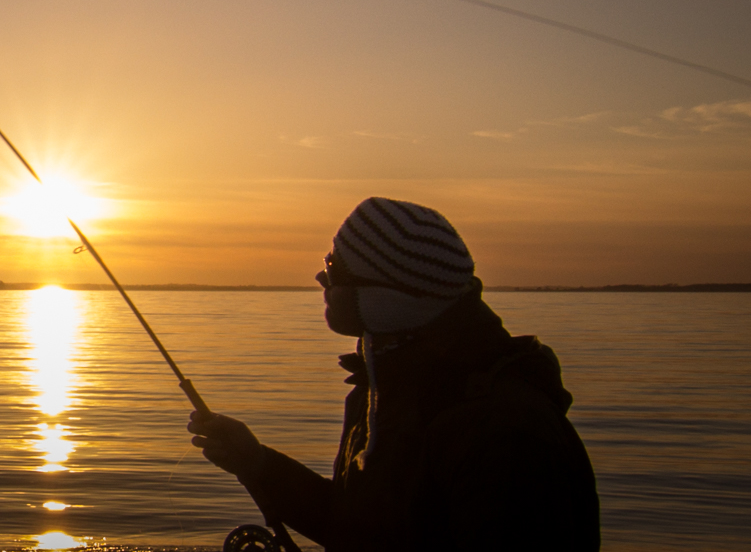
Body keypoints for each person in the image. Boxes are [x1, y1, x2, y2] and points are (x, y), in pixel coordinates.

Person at [188, 197, 598, 551]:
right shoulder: (389, 392)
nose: (321, 278)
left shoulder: (502, 429)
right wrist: (258, 463)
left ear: (385, 294)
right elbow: (364, 529)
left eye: (335, 266)